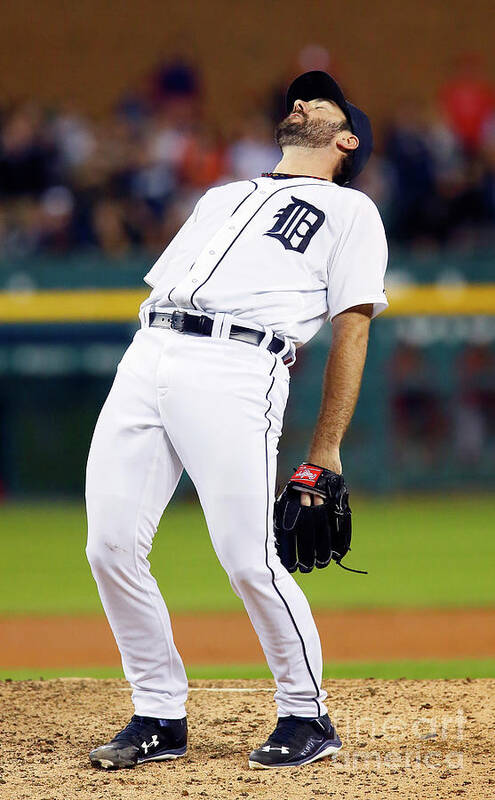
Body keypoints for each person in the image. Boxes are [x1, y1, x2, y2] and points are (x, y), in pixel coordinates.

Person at [85, 70, 388, 771]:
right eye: (299, 96)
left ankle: (306, 716)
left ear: (345, 138)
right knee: (109, 549)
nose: (301, 100)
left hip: (237, 364)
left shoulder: (351, 212)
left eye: (321, 100)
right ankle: (159, 713)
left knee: (249, 556)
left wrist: (325, 451)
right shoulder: (222, 196)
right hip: (150, 351)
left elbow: (351, 330)